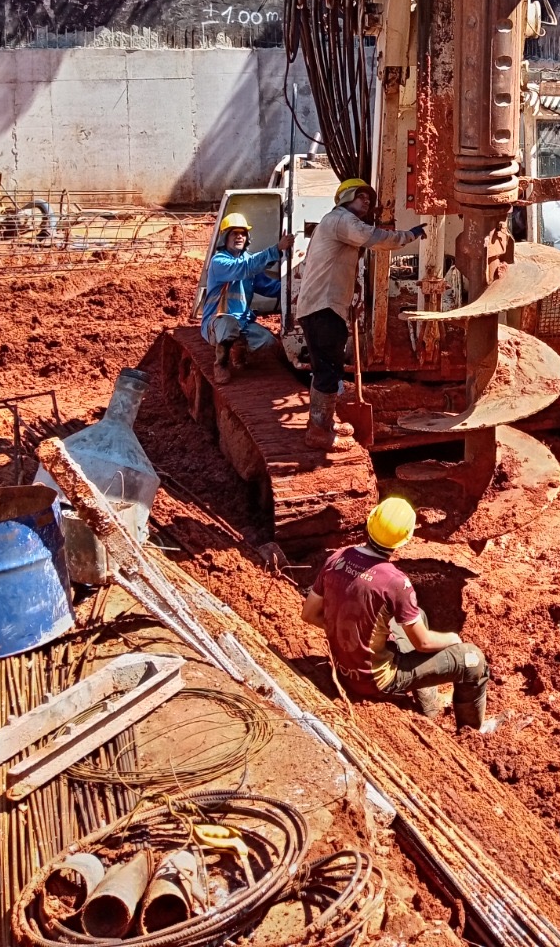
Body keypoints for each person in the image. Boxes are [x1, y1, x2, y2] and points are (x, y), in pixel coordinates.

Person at [302, 496, 490, 729]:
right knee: (474, 661)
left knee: (416, 615)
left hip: (344, 669)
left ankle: (428, 704)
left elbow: (309, 614)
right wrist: (454, 639)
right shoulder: (395, 583)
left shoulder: (337, 559)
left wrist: (350, 631)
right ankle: (473, 730)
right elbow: (422, 643)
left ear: (370, 524)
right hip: (376, 680)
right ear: (405, 540)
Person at [297, 179, 423, 450]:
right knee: (328, 369)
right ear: (345, 198)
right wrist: (408, 236)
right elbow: (374, 238)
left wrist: (352, 293)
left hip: (324, 306)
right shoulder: (341, 220)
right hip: (323, 308)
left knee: (326, 368)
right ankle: (320, 432)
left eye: (368, 198)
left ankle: (323, 424)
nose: (366, 202)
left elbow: (340, 266)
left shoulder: (336, 226)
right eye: (360, 196)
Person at [202, 212, 293, 385]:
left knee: (267, 342)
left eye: (243, 233)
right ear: (225, 238)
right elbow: (243, 268)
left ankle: (237, 347)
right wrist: (276, 250)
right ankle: (220, 363)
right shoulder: (219, 262)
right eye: (234, 233)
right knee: (229, 324)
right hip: (217, 323)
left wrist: (295, 290)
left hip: (243, 322)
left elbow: (268, 286)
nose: (239, 237)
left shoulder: (248, 260)